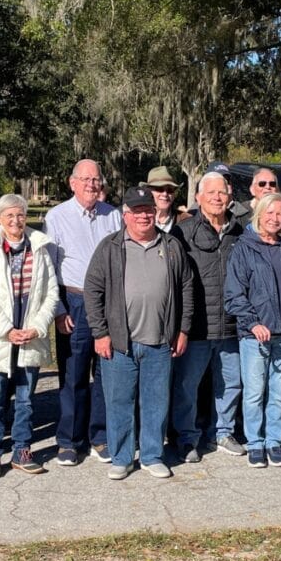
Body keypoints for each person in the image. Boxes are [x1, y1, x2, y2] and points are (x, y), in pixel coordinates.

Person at [84, 186, 194, 479]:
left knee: (156, 401)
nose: (144, 216)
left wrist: (182, 329)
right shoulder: (110, 247)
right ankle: (121, 456)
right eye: (137, 211)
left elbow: (186, 287)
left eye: (148, 210)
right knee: (119, 401)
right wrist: (100, 333)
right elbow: (93, 291)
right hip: (120, 343)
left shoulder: (171, 246)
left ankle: (152, 454)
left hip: (160, 340)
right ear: (126, 215)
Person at [0, 194, 59, 477]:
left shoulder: (39, 248)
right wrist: (6, 329)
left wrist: (38, 326)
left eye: (20, 215)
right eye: (9, 216)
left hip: (30, 335)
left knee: (26, 399)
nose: (16, 221)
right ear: (1, 219)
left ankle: (22, 449)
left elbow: (50, 293)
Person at [44, 159, 123, 466]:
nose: (92, 184)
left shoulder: (112, 215)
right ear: (72, 182)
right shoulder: (57, 217)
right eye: (86, 179)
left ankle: (100, 436)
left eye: (96, 179)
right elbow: (48, 269)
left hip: (108, 302)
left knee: (105, 371)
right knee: (73, 373)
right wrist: (59, 310)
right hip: (73, 300)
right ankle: (69, 440)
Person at [169, 171, 246, 461]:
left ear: (229, 198)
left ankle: (222, 432)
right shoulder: (183, 233)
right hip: (197, 327)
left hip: (231, 326)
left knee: (230, 383)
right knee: (187, 386)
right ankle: (187, 437)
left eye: (222, 193)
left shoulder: (240, 231)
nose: (217, 197)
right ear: (198, 198)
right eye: (210, 193)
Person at [224, 192, 281, 468]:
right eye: (270, 213)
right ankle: (255, 442)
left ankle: (274, 441)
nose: (275, 219)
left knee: (278, 393)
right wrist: (253, 323)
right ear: (259, 215)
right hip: (255, 334)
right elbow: (234, 295)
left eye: (280, 214)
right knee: (255, 392)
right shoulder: (243, 248)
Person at [143, 166, 189, 232]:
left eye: (170, 190)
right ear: (148, 191)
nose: (165, 194)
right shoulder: (138, 219)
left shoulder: (186, 220)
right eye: (159, 189)